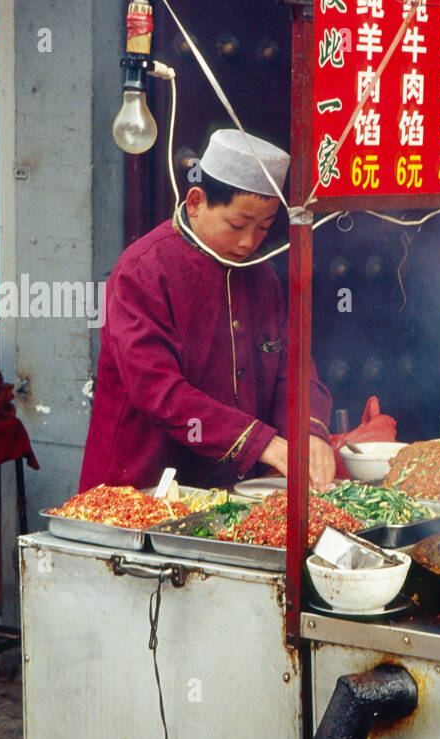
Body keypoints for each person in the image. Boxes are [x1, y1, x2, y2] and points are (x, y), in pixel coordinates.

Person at [79, 129, 336, 492]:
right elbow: (158, 391)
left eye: (263, 228)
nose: (249, 242)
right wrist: (260, 443)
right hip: (139, 484)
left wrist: (309, 431)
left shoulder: (261, 276)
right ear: (196, 201)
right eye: (237, 224)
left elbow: (291, 366)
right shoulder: (143, 270)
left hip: (230, 487)